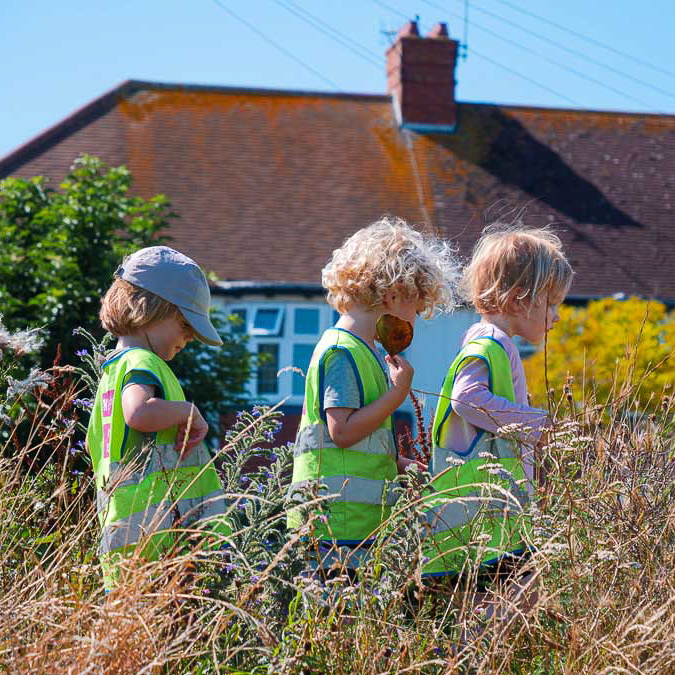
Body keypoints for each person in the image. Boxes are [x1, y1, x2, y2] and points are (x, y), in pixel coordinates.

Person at [287, 216, 460, 578]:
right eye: (416, 306)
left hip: (354, 525)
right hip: (332, 526)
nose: (415, 319)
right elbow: (343, 431)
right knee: (338, 626)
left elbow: (360, 439)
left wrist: (398, 464)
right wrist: (398, 394)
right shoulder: (341, 351)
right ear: (393, 293)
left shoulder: (364, 352)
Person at [421, 224, 573, 617]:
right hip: (482, 514)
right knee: (497, 609)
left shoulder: (492, 342)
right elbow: (466, 398)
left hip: (493, 511)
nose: (556, 316)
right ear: (519, 299)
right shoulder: (488, 342)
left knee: (514, 599)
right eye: (551, 303)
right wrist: (536, 423)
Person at [86, 246, 231, 590]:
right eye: (185, 324)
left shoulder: (112, 372)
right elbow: (138, 412)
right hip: (153, 531)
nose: (190, 337)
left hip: (122, 525)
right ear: (150, 309)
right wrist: (187, 410)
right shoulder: (143, 362)